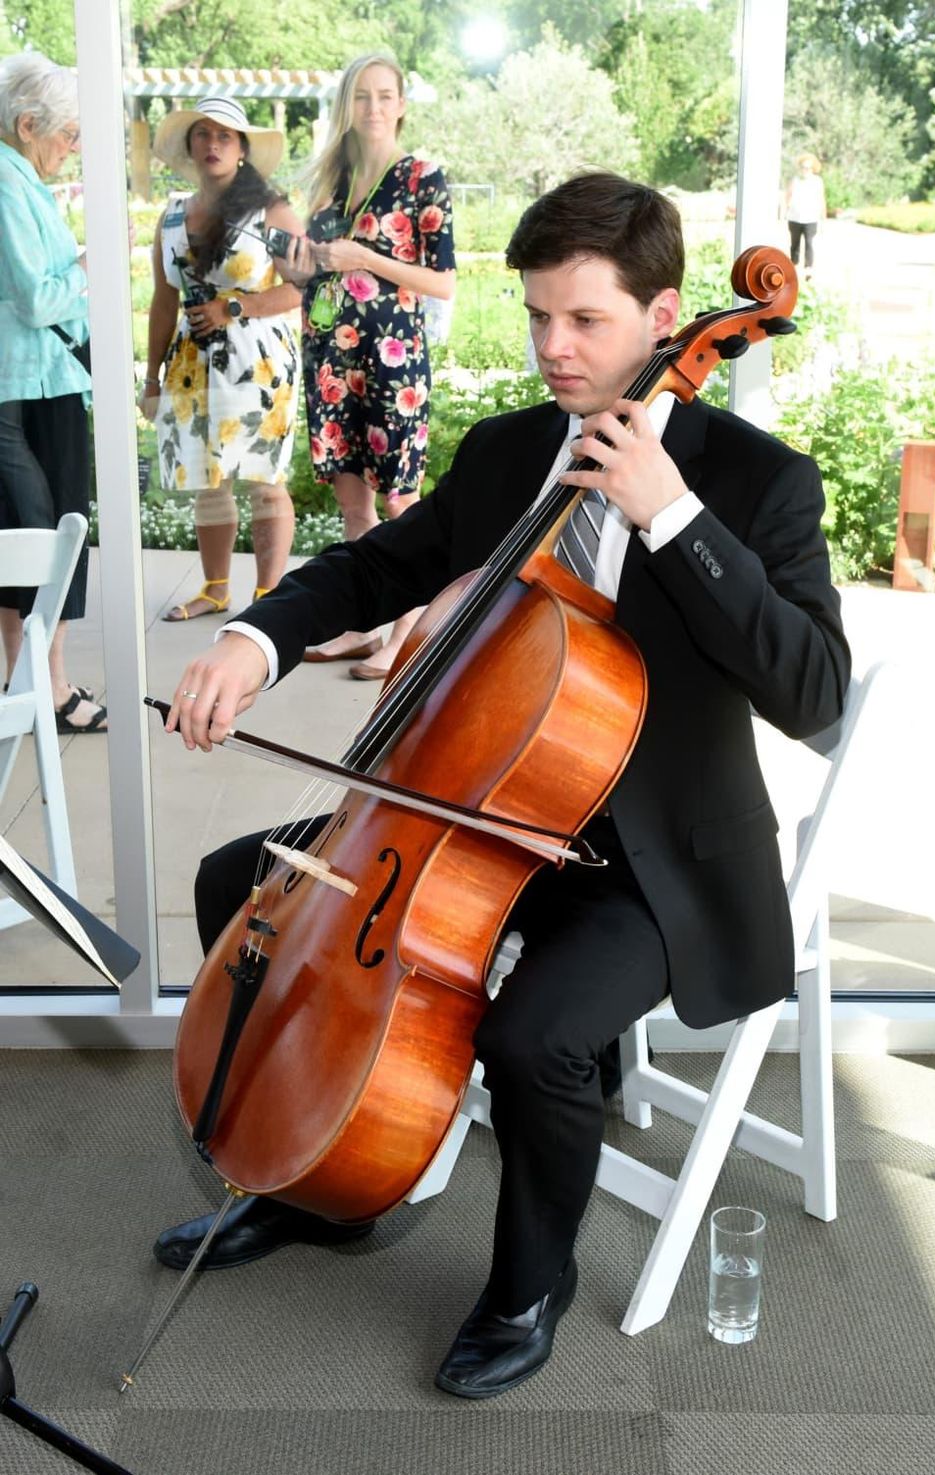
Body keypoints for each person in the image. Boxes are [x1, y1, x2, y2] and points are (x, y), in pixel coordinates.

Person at [154, 172, 851, 1399]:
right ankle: (311, 1174)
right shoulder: (510, 451)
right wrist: (252, 641)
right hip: (457, 815)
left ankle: (528, 1281)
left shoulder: (754, 482)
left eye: (583, 319)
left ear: (665, 314)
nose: (552, 348)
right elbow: (373, 564)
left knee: (536, 1034)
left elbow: (814, 693)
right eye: (536, 316)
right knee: (238, 882)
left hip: (646, 862)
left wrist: (671, 514)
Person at [285, 51, 455, 678]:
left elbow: (442, 283)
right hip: (331, 353)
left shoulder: (421, 178)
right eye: (362, 97)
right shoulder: (328, 182)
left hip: (392, 359)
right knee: (353, 502)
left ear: (402, 105)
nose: (374, 108)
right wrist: (297, 262)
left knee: (399, 501)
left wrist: (365, 256)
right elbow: (309, 271)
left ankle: (406, 638)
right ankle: (365, 624)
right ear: (346, 106)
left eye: (385, 96)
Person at [141, 97, 303, 622]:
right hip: (191, 362)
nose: (212, 144)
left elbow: (303, 287)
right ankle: (215, 589)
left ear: (242, 150)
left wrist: (235, 305)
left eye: (225, 136)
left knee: (263, 476)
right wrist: (151, 377)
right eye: (203, 134)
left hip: (257, 361)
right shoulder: (170, 218)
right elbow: (164, 302)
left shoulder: (270, 211)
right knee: (206, 478)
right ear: (189, 147)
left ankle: (269, 597)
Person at [0, 52, 106, 731]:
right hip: (28, 386)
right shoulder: (8, 184)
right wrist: (91, 266)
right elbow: (38, 298)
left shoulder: (23, 180)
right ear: (28, 122)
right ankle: (47, 688)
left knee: (39, 533)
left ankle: (33, 683)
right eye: (69, 133)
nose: (75, 147)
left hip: (45, 381)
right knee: (46, 534)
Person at [785, 152, 826, 278]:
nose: (805, 170)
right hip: (795, 218)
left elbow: (821, 199)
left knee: (809, 243)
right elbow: (788, 195)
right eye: (803, 167)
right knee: (794, 244)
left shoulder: (817, 181)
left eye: (807, 167)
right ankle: (794, 266)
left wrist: (823, 217)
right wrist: (786, 210)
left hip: (810, 218)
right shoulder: (795, 180)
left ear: (812, 168)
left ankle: (809, 268)